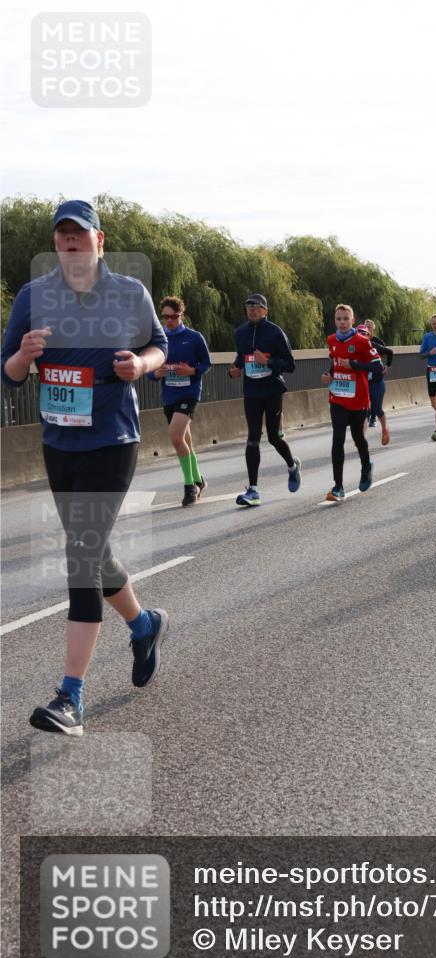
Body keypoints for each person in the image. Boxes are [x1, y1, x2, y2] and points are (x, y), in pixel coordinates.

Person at [0, 199, 169, 735]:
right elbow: (7, 373)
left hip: (112, 436)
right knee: (95, 552)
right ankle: (143, 624)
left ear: (100, 241)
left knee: (80, 556)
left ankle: (70, 698)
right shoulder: (34, 296)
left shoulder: (127, 293)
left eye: (81, 235)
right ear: (56, 243)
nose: (71, 243)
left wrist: (139, 364)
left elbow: (158, 345)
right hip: (58, 439)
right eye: (63, 236)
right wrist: (25, 357)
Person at [229, 293, 301, 507]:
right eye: (248, 306)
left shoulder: (275, 332)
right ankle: (253, 490)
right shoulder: (241, 333)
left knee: (273, 437)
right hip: (251, 392)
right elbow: (240, 359)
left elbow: (290, 365)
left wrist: (268, 361)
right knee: (253, 438)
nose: (252, 309)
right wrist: (233, 370)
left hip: (272, 391)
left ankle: (292, 466)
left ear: (265, 310)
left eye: (256, 306)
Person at [149, 296, 212, 506]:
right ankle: (199, 479)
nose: (168, 321)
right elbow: (149, 371)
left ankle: (189, 487)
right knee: (185, 441)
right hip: (169, 395)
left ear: (181, 315)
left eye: (172, 317)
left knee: (176, 438)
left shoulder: (194, 338)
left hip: (189, 393)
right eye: (165, 317)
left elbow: (207, 363)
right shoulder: (159, 340)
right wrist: (156, 374)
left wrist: (191, 370)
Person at [321, 304, 383, 501]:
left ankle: (366, 467)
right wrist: (329, 375)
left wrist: (354, 364)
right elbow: (335, 362)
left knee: (358, 438)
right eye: (338, 319)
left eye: (345, 319)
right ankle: (338, 486)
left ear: (352, 321)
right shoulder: (331, 340)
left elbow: (378, 367)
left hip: (359, 398)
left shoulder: (362, 342)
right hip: (338, 396)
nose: (342, 323)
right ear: (335, 321)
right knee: (337, 439)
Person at [361, 320, 392, 446]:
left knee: (377, 409)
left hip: (376, 382)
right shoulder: (353, 349)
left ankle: (385, 429)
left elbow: (389, 352)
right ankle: (361, 440)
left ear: (369, 334)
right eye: (359, 333)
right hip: (362, 384)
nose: (362, 335)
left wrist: (386, 367)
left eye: (364, 333)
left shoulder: (374, 346)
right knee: (363, 411)